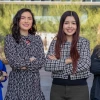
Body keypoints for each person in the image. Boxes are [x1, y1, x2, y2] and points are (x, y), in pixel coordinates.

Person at [45, 11, 91, 100]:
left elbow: (85, 64)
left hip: (79, 89)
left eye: (73, 23)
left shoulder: (83, 42)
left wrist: (58, 63)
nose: (70, 26)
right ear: (62, 25)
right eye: (66, 23)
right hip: (57, 89)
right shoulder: (55, 43)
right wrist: (68, 61)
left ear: (77, 25)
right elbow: (47, 65)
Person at [4, 8, 45, 100]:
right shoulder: (10, 39)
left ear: (32, 22)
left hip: (35, 90)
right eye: (23, 18)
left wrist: (23, 63)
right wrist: (31, 60)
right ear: (17, 20)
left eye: (29, 18)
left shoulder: (37, 39)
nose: (26, 21)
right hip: (16, 88)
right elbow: (14, 63)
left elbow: (41, 61)